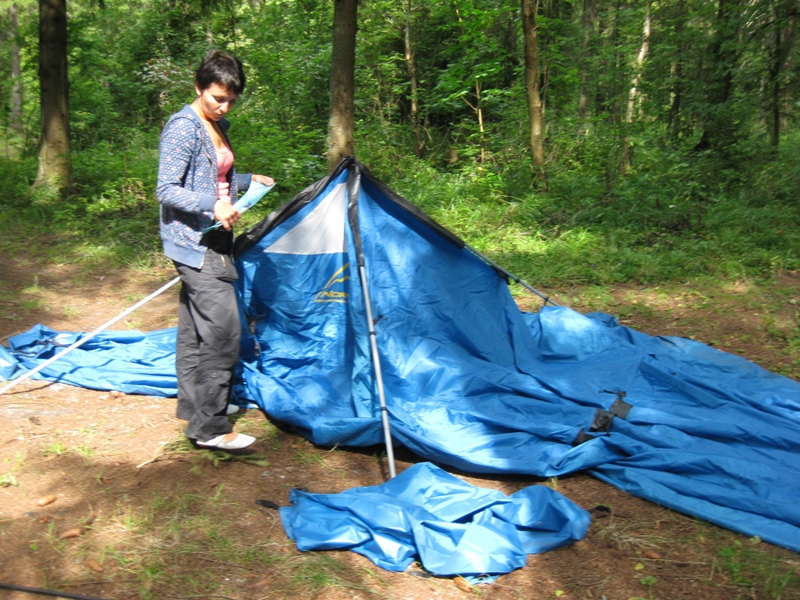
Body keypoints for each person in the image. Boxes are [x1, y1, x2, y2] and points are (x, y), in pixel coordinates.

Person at [156, 50, 274, 451]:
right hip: (194, 242)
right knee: (224, 331)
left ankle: (194, 411)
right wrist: (213, 205)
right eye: (216, 98)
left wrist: (243, 181)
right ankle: (211, 428)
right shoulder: (183, 127)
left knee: (193, 331)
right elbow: (167, 189)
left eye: (230, 100)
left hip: (213, 237)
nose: (223, 107)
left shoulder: (215, 125)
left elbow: (212, 174)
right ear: (198, 86)